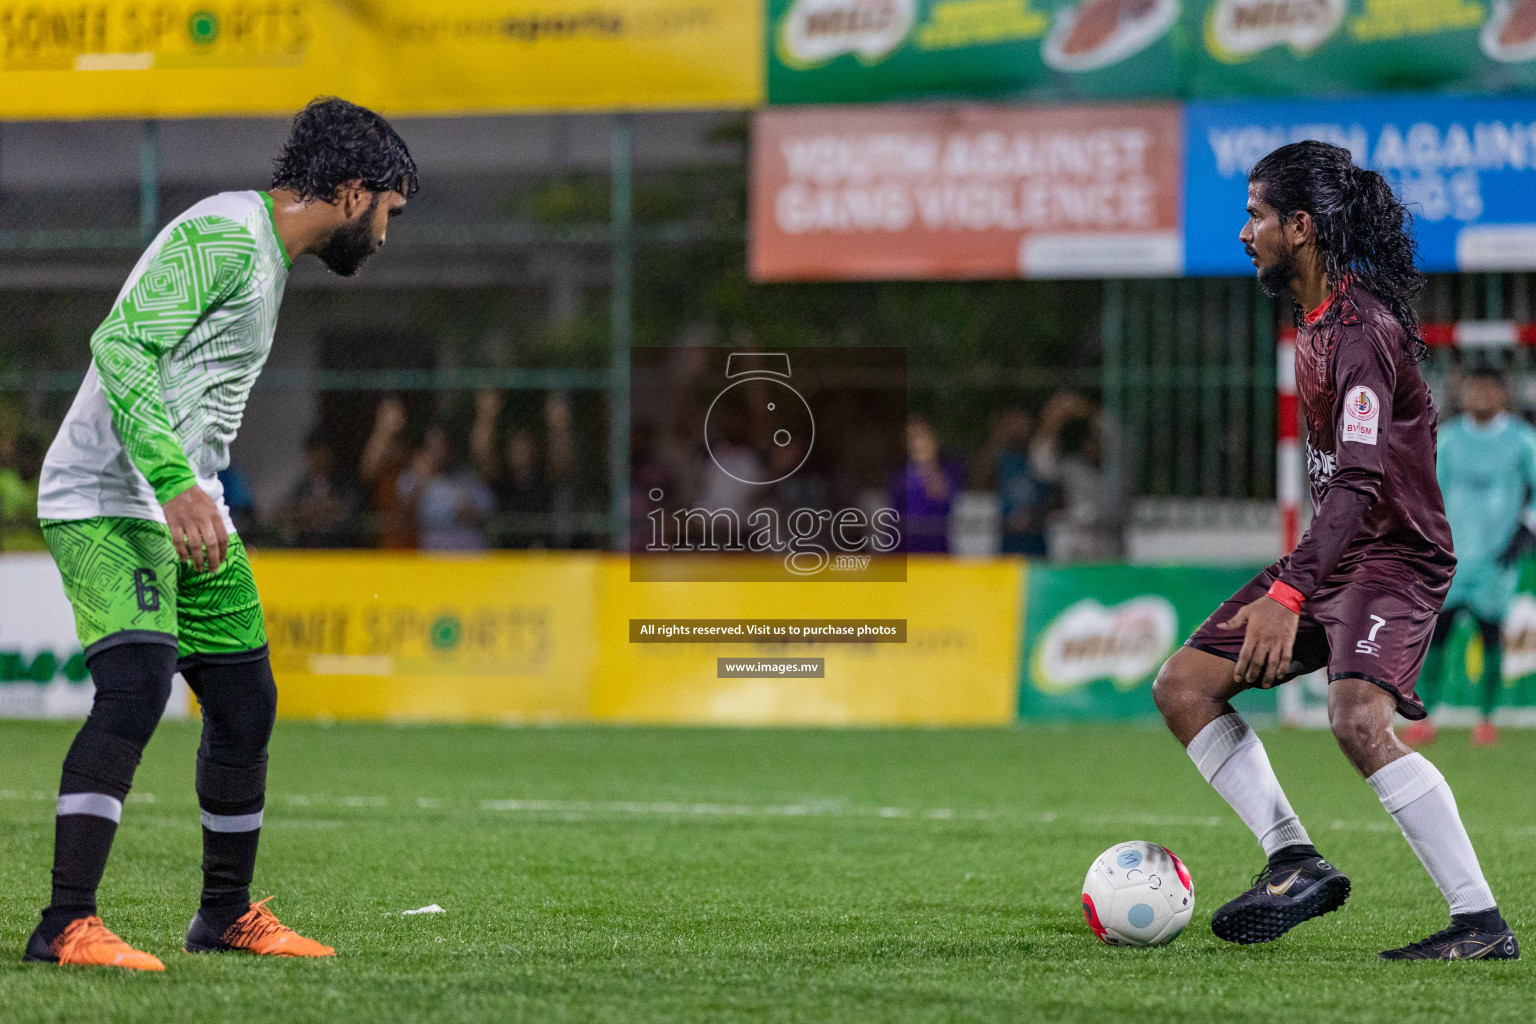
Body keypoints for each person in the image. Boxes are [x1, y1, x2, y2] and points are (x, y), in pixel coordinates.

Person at [29, 97, 416, 970]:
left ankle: (224, 915)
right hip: (106, 493)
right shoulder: (228, 233)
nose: (386, 234)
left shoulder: (265, 254)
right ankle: (64, 925)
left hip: (185, 497)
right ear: (353, 191)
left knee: (245, 703)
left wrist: (189, 483)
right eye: (389, 210)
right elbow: (120, 343)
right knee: (135, 686)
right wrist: (171, 481)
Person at [1152, 141, 1517, 961]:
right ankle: (1293, 859)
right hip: (1337, 553)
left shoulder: (1359, 332)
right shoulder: (1312, 322)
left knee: (1355, 718)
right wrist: (1300, 584)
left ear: (1303, 227)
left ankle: (1480, 924)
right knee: (1183, 686)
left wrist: (1287, 597)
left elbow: (1356, 485)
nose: (1245, 233)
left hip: (1394, 557)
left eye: (1257, 216)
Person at [1402, 368, 1536, 748]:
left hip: (1495, 561)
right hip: (1449, 561)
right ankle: (1425, 716)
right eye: (1474, 387)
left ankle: (1487, 719)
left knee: (1491, 638)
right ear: (1463, 393)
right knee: (1434, 639)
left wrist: (1526, 531)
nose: (1481, 395)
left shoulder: (1523, 442)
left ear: (1503, 394)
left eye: (1489, 388)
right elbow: (1426, 494)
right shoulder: (1447, 441)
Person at [399, 423, 494, 551]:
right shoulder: (412, 478)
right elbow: (402, 519)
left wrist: (468, 510)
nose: (437, 452)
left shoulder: (467, 477)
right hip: (433, 559)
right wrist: (420, 483)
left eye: (441, 445)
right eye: (432, 446)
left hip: (470, 558)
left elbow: (487, 515)